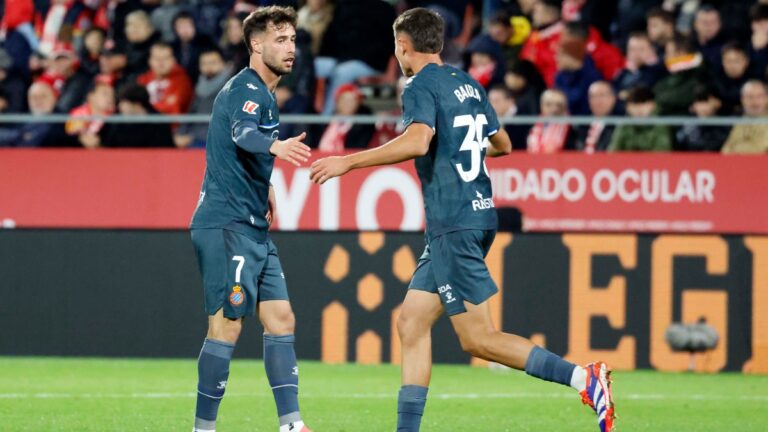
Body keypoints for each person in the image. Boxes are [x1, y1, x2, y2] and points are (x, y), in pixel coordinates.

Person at [310, 8, 614, 432]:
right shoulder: (468, 83)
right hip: (476, 213)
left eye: (397, 45)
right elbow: (503, 144)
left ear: (403, 46)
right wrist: (459, 149)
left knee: (479, 339)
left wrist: (349, 162)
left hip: (453, 220)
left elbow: (418, 142)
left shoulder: (419, 84)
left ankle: (585, 378)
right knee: (411, 321)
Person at [189, 6, 313, 432]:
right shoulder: (248, 89)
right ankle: (203, 428)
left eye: (293, 39)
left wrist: (268, 185)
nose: (290, 47)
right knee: (227, 325)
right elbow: (244, 133)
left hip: (251, 225)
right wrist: (275, 147)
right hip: (226, 225)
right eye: (280, 40)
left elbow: (235, 146)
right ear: (256, 45)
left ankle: (291, 424)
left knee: (281, 319)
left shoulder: (266, 92)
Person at [137, 42, 194, 115]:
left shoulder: (182, 81)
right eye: (157, 58)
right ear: (150, 60)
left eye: (165, 58)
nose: (161, 63)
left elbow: (172, 108)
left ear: (173, 60)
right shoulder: (142, 80)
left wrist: (145, 110)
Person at [609, 86, 672, 152]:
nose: (639, 109)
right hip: (626, 162)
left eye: (643, 104)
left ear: (652, 105)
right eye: (634, 105)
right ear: (627, 107)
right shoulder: (624, 125)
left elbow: (662, 154)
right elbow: (613, 151)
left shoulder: (660, 125)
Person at [676, 86, 730, 152]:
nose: (702, 107)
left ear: (717, 103)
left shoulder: (725, 123)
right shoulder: (688, 124)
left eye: (706, 101)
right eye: (699, 101)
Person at [721, 80, 768, 154]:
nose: (754, 102)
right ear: (742, 99)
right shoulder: (742, 120)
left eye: (759, 96)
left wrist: (737, 148)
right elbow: (726, 150)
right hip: (737, 164)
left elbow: (757, 149)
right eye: (750, 97)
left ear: (766, 99)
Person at [577, 81, 620, 153]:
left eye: (602, 95)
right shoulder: (581, 124)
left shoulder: (619, 125)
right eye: (593, 96)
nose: (597, 101)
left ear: (613, 98)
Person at [527, 88, 575, 153]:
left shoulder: (570, 129)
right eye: (549, 104)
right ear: (542, 106)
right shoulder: (533, 123)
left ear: (565, 108)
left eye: (559, 105)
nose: (554, 109)